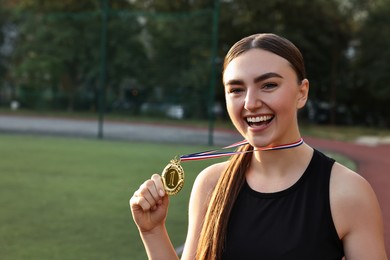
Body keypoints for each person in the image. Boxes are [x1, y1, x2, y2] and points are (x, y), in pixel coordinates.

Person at [130, 33, 388, 260]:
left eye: (269, 85)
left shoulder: (347, 193)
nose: (250, 103)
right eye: (236, 89)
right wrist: (152, 231)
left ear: (302, 92)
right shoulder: (211, 184)